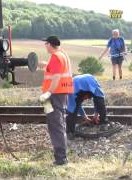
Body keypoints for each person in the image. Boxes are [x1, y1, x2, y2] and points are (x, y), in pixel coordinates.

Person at [40, 36, 73, 165]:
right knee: (57, 124)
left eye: (46, 43)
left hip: (54, 95)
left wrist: (48, 92)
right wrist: (45, 65)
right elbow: (54, 71)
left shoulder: (56, 56)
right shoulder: (62, 55)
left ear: (50, 44)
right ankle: (60, 156)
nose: (45, 46)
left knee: (56, 125)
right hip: (58, 94)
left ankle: (61, 158)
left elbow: (56, 77)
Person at [66, 74, 109, 138]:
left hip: (89, 80)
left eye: (87, 98)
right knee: (72, 110)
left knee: (99, 100)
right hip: (72, 85)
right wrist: (85, 117)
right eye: (86, 98)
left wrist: (96, 114)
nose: (86, 99)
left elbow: (98, 99)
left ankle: (103, 123)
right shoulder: (73, 93)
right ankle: (70, 132)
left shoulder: (92, 85)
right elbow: (77, 106)